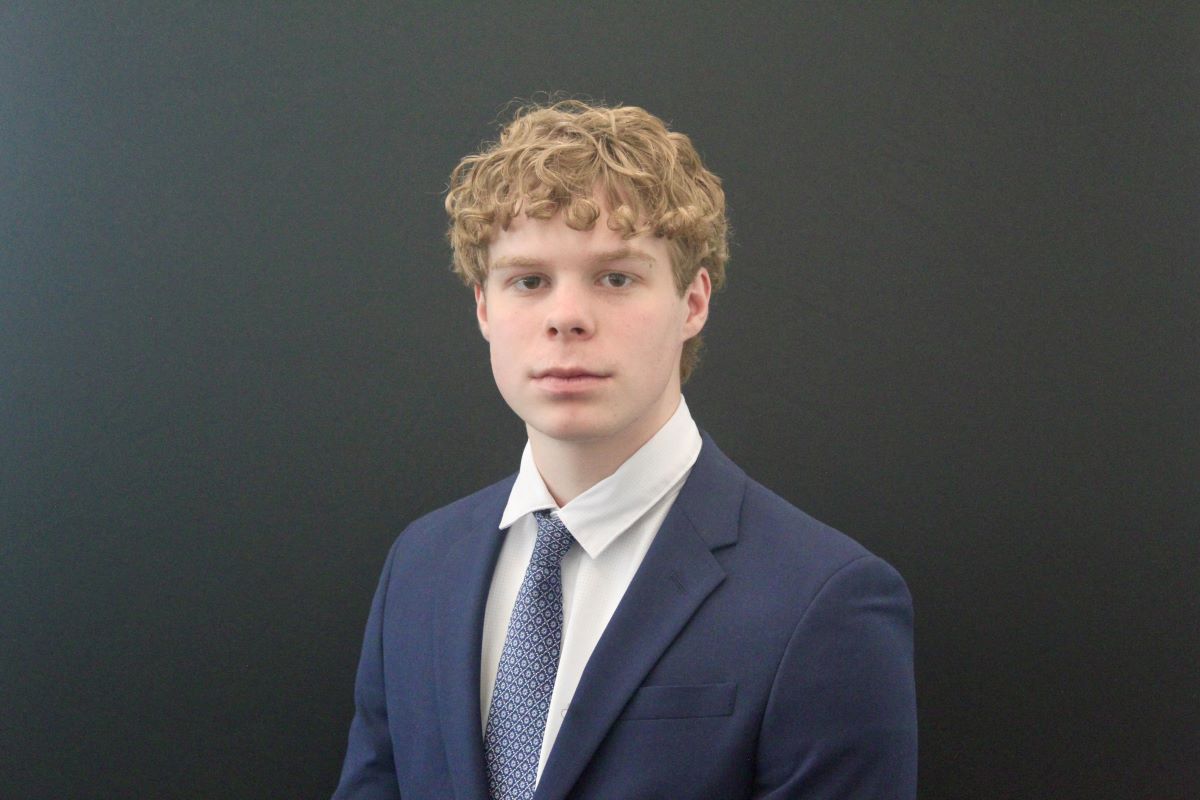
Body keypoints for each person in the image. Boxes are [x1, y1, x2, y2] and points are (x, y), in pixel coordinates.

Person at [332, 100, 917, 800]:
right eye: (528, 281)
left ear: (693, 302)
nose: (567, 317)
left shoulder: (825, 600)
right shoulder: (421, 566)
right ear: (484, 307)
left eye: (616, 278)